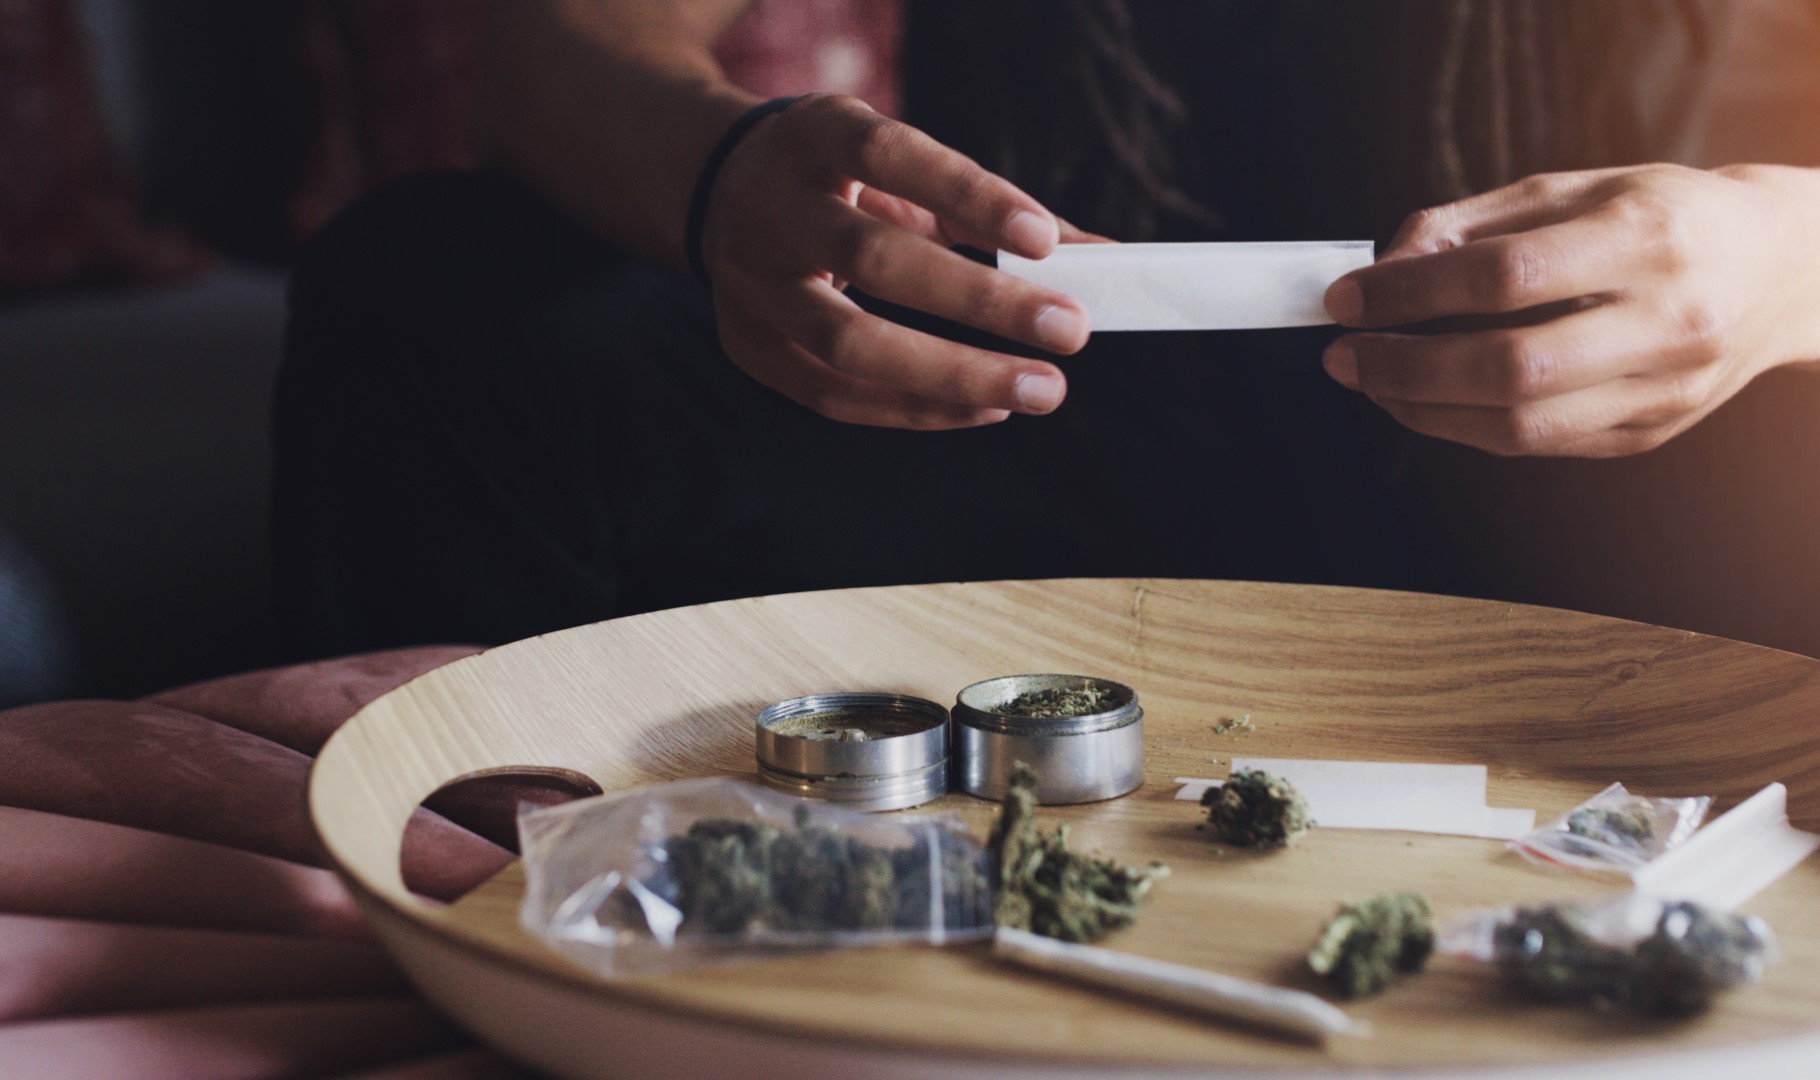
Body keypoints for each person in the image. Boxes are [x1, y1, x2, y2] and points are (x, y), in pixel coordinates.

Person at [274, 1, 1820, 657]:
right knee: (431, 293)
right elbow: (546, 58)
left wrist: (1776, 253)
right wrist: (722, 179)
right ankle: (463, 928)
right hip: (1038, 399)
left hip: (1618, 444)